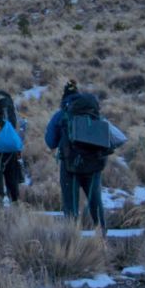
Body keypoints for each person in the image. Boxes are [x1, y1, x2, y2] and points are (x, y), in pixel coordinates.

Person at [45, 80, 108, 229]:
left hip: (70, 166)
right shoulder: (94, 114)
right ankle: (102, 236)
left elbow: (50, 142)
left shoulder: (61, 115)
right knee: (95, 201)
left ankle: (72, 239)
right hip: (94, 165)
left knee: (70, 205)